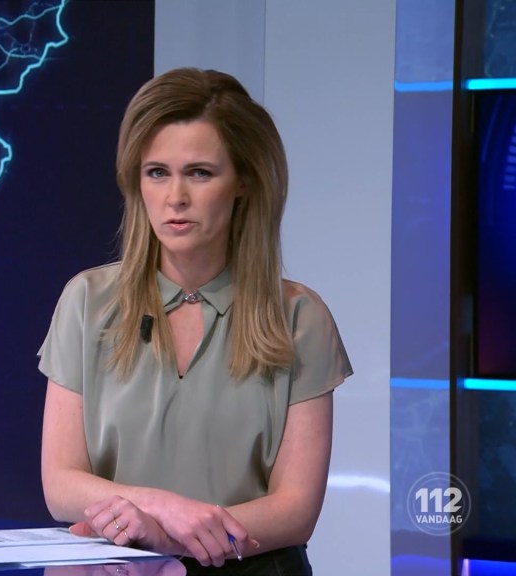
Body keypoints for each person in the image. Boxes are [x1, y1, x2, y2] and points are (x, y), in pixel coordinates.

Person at [38, 68, 352, 575]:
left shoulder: (299, 317)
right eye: (156, 173)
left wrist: (169, 537)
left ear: (243, 181)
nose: (175, 197)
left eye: (200, 173)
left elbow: (295, 510)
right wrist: (161, 507)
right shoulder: (87, 301)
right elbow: (61, 484)